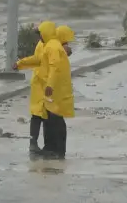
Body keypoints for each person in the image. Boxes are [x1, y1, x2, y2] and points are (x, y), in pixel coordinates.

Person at [14, 20, 56, 154]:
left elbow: (56, 67)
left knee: (49, 116)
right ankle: (33, 144)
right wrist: (20, 63)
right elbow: (36, 59)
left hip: (49, 84)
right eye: (38, 34)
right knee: (37, 114)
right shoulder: (40, 45)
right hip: (39, 84)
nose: (39, 37)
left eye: (41, 34)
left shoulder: (54, 47)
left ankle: (49, 146)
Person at [41, 24, 75, 159]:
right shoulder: (54, 47)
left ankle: (58, 150)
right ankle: (53, 148)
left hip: (55, 89)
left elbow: (55, 67)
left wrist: (50, 85)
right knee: (50, 119)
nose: (67, 45)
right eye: (65, 41)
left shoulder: (55, 48)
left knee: (56, 119)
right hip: (53, 88)